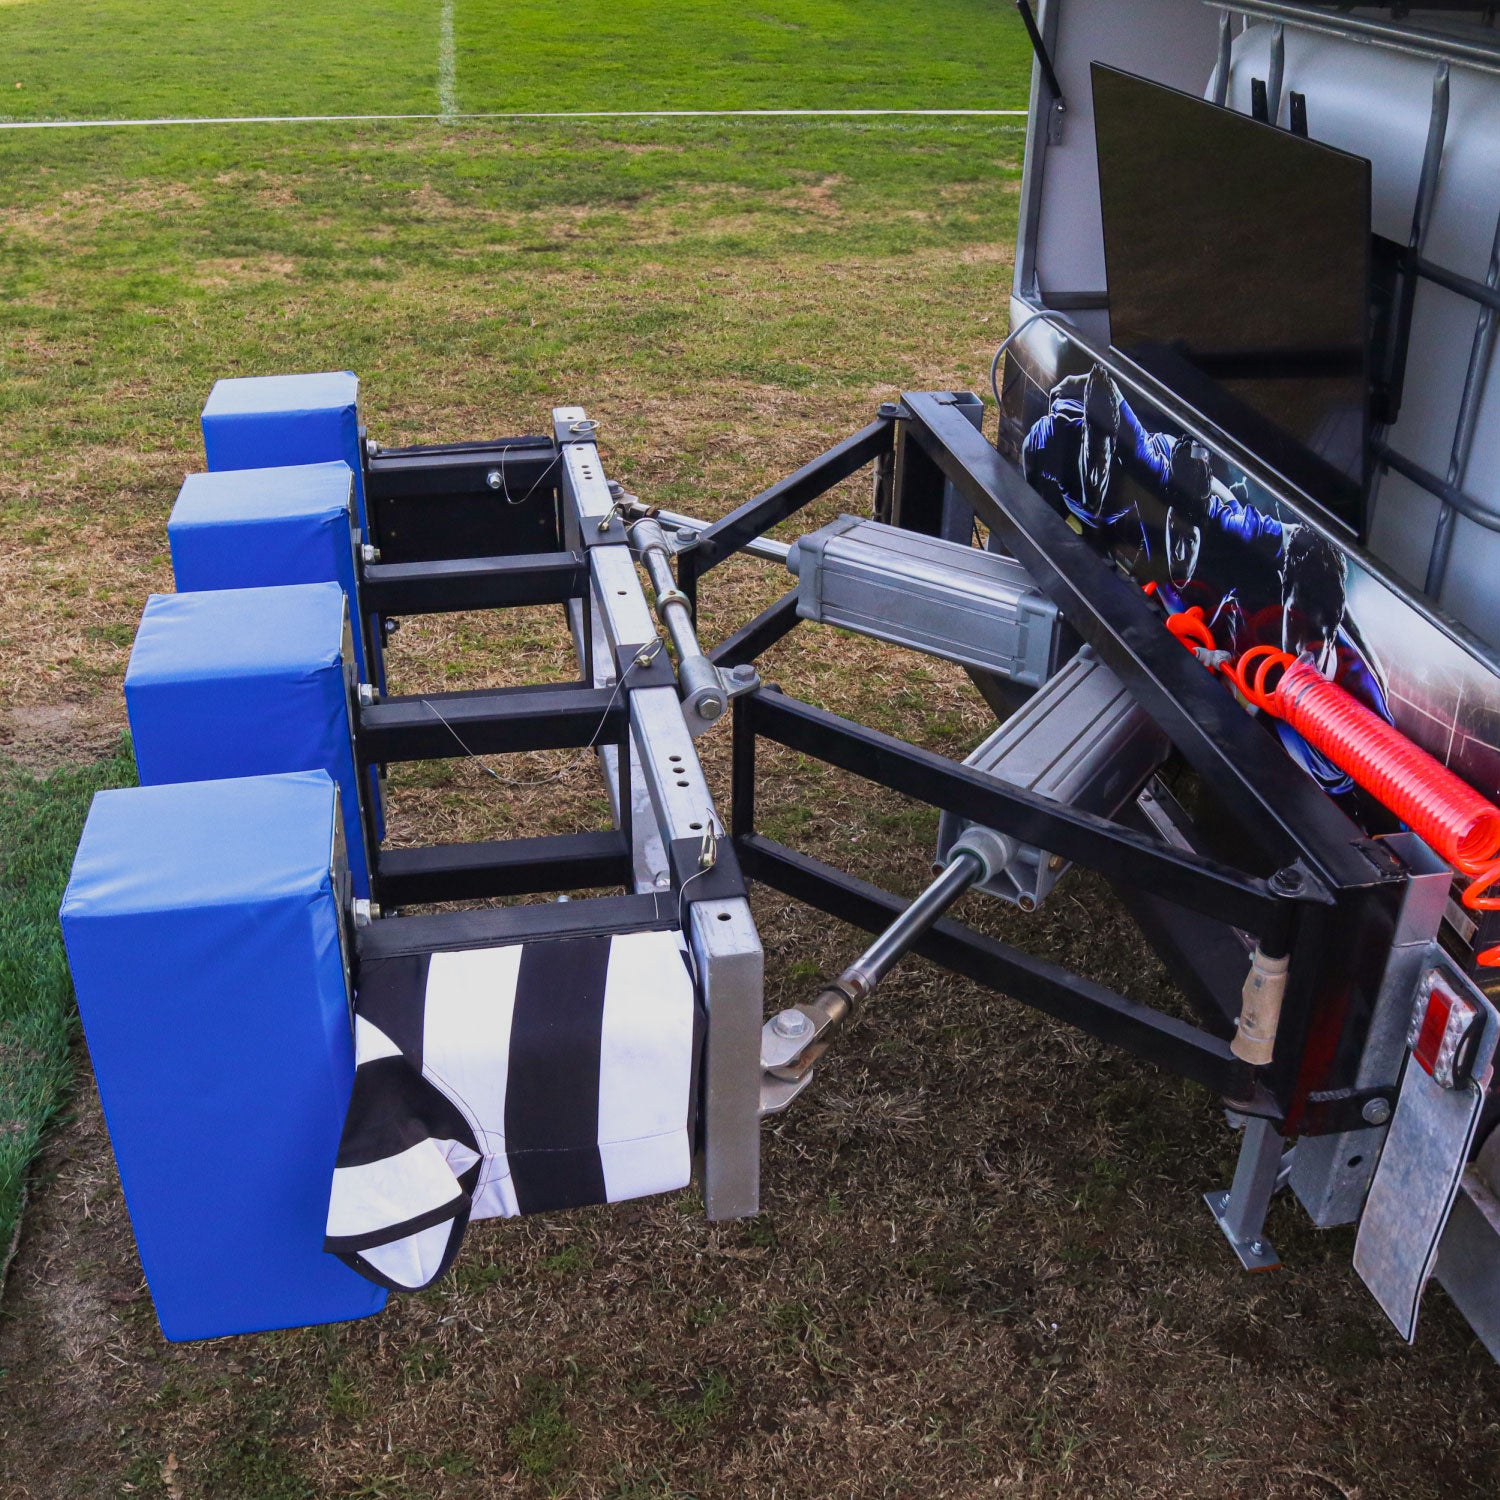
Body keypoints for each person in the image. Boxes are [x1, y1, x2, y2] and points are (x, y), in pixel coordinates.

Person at [1020, 365, 1209, 557]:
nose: (1093, 477)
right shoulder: (1053, 437)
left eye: (1101, 461)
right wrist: (1048, 517)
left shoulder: (1140, 463)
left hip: (1135, 443)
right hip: (1072, 401)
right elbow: (1029, 452)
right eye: (1090, 455)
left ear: (1112, 453)